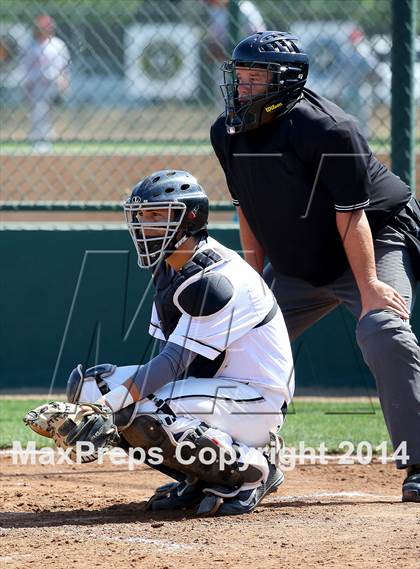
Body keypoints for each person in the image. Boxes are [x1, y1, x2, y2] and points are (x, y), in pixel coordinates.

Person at [210, 31, 420, 503]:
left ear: (284, 80)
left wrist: (368, 285)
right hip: (299, 257)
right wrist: (251, 286)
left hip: (373, 236)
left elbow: (353, 215)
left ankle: (419, 462)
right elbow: (248, 206)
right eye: (238, 76)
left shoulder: (328, 129)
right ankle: (242, 461)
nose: (242, 87)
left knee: (383, 329)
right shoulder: (226, 130)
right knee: (235, 341)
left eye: (255, 77)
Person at [63, 169, 295, 516]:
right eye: (141, 216)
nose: (144, 225)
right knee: (89, 387)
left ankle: (253, 468)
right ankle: (200, 477)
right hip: (215, 393)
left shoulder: (217, 280)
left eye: (156, 215)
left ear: (189, 218)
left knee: (139, 409)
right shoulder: (170, 267)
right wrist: (100, 402)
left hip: (255, 402)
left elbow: (172, 363)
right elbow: (165, 362)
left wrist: (107, 409)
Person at [22, 15, 70, 152]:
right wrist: (27, 84)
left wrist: (64, 81)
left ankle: (44, 137)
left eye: (46, 28)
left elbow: (65, 66)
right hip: (36, 83)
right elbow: (26, 66)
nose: (44, 30)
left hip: (53, 82)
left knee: (47, 111)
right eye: (42, 28)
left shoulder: (58, 44)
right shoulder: (31, 45)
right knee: (38, 110)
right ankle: (39, 139)